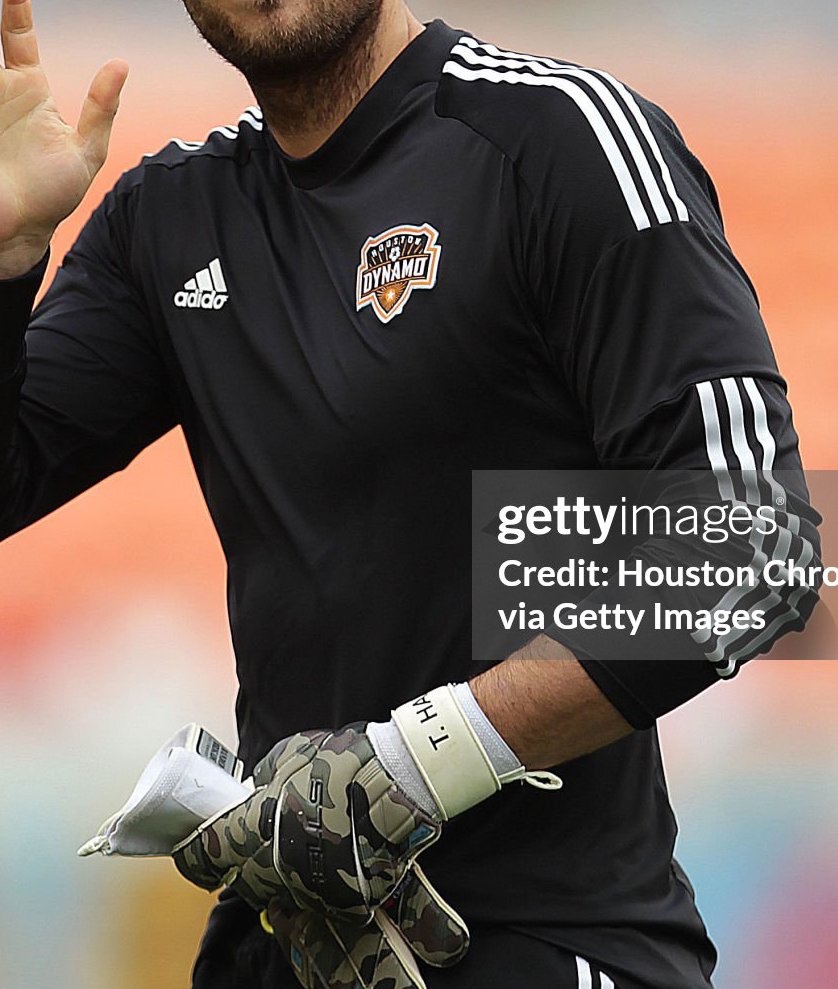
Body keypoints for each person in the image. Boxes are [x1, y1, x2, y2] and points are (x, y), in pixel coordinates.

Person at [0, 1, 822, 987]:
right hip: (287, 944)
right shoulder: (171, 215)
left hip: (543, 944)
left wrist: (414, 763)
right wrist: (4, 260)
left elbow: (751, 545)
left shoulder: (555, 137)